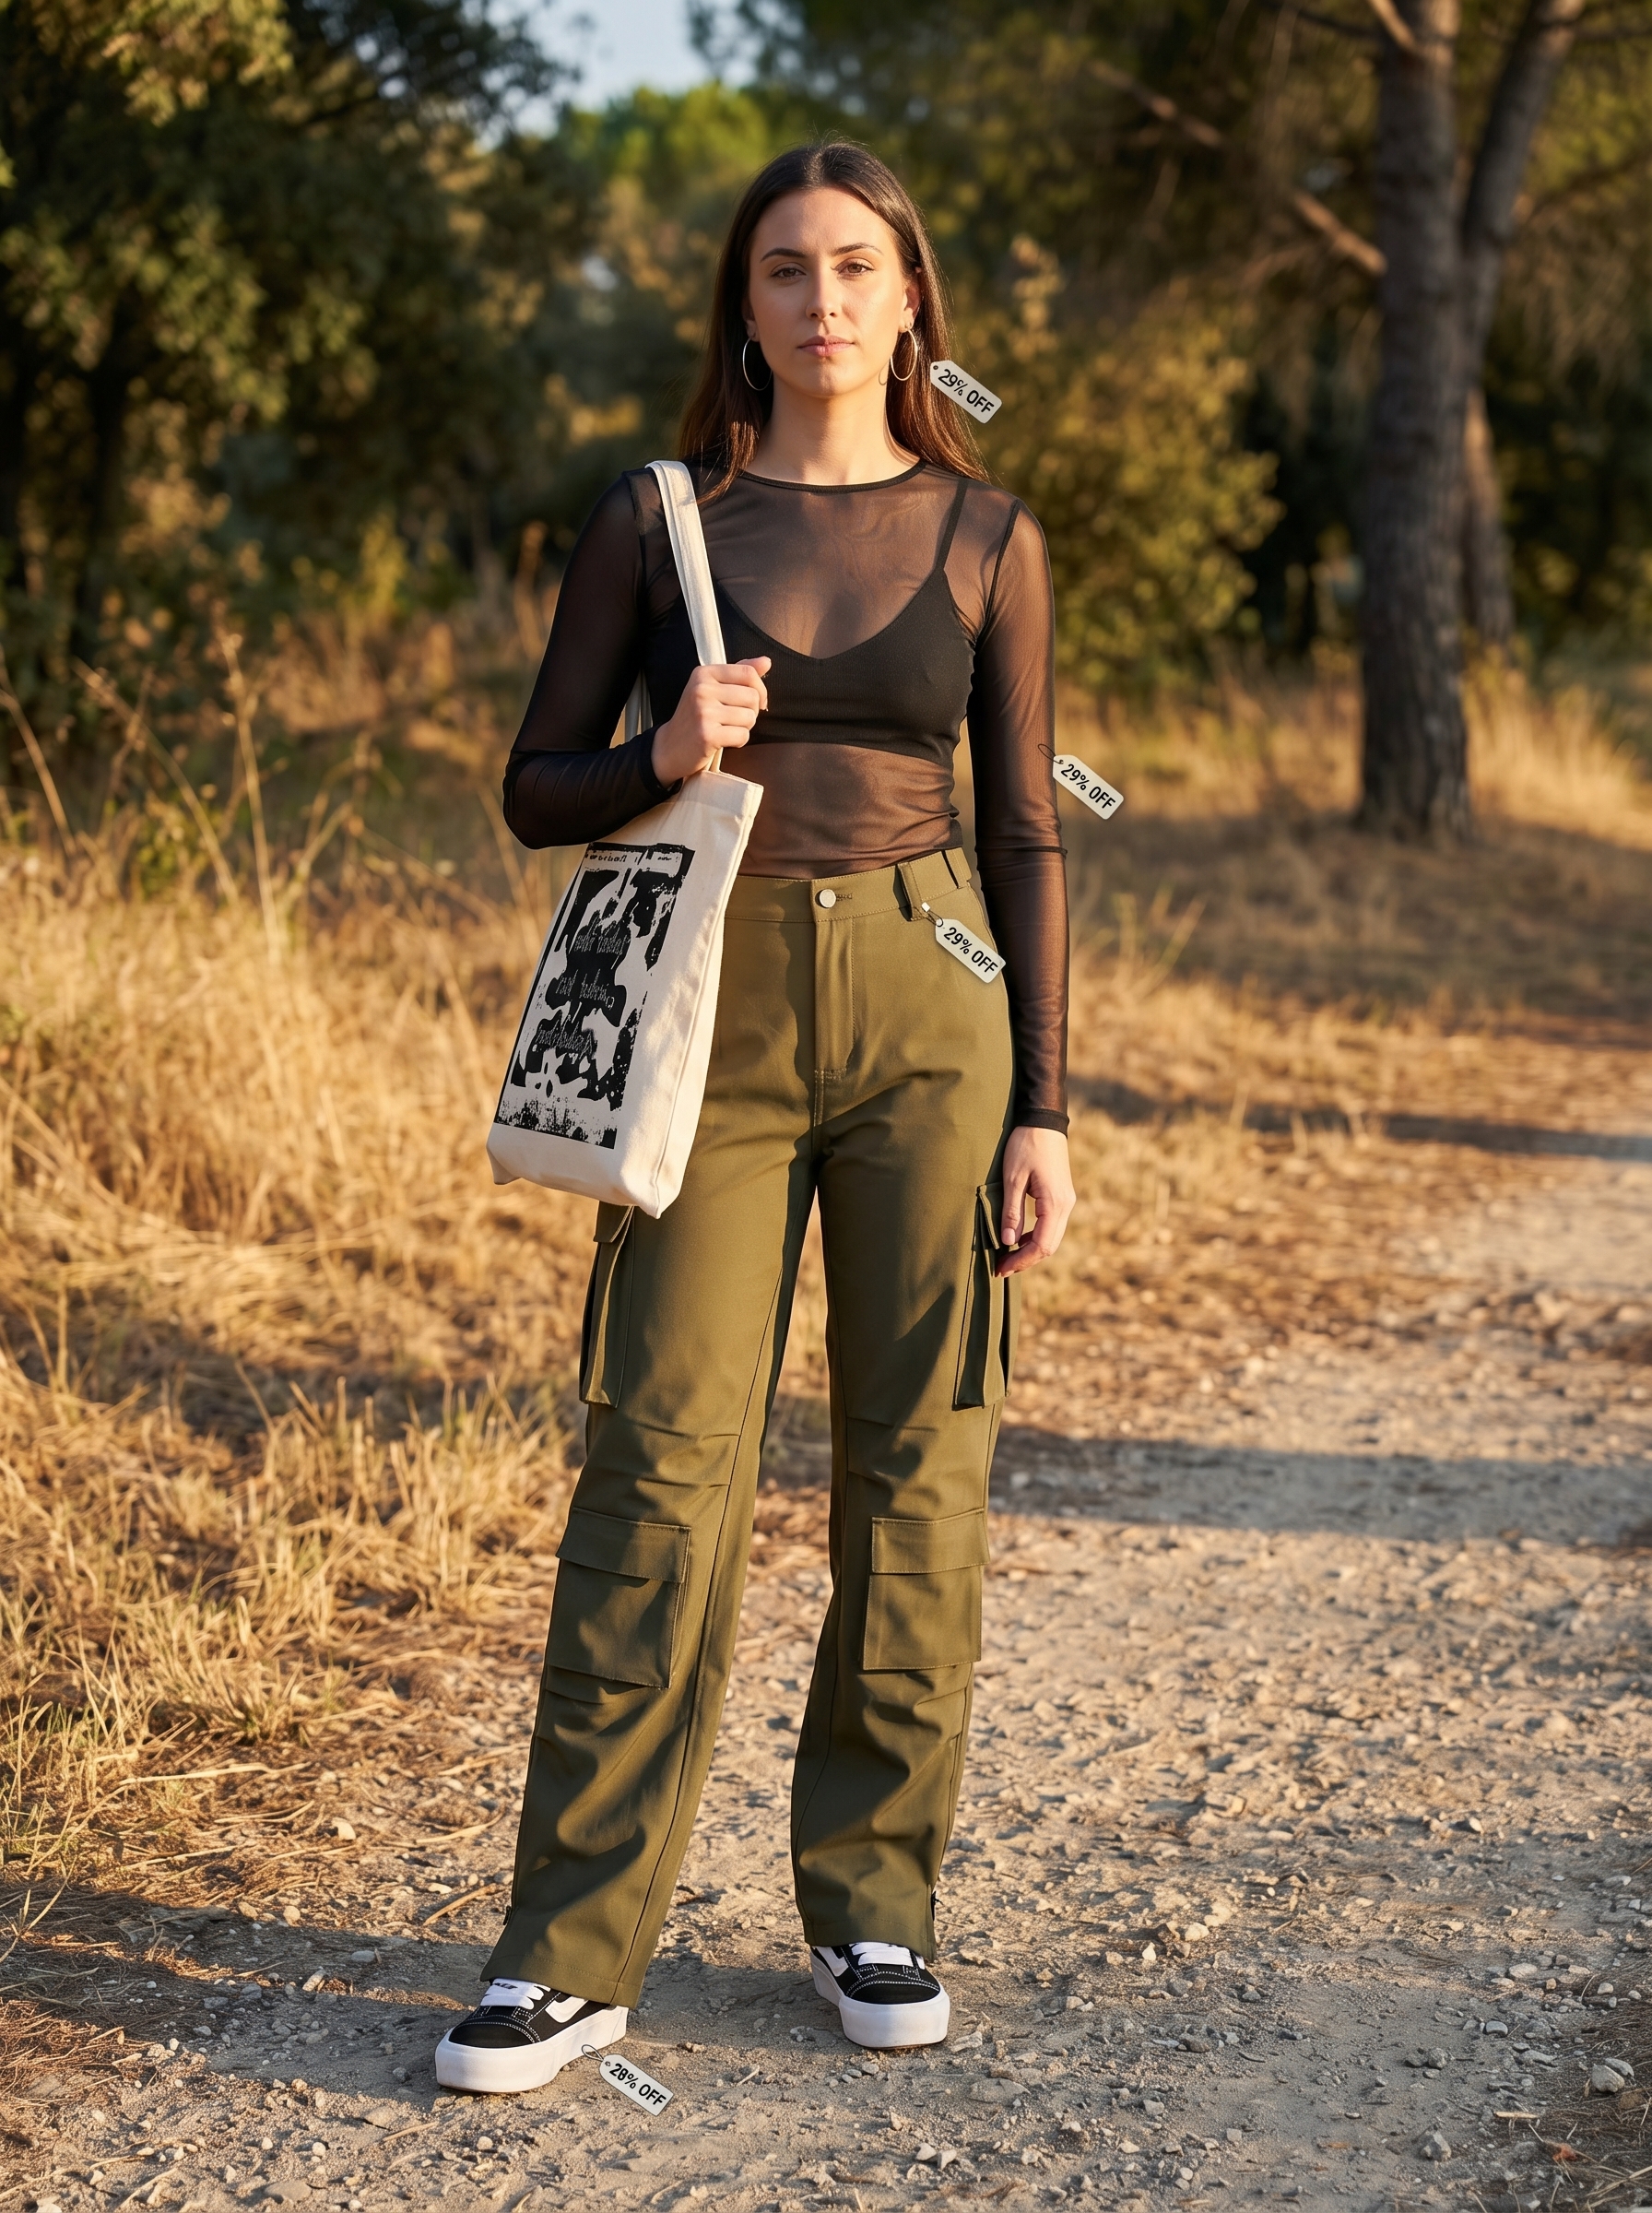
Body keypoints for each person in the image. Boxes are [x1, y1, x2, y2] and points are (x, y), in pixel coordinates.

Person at [435, 139, 1073, 2097]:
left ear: (909, 297)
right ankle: (570, 1949)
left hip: (935, 1004)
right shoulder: (660, 519)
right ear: (744, 303)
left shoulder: (987, 532)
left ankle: (872, 1900)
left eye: (856, 267)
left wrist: (1045, 1107)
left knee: (919, 1463)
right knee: (656, 1458)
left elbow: (1030, 829)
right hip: (707, 1011)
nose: (821, 301)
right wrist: (660, 748)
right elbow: (534, 789)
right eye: (785, 269)